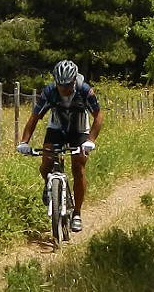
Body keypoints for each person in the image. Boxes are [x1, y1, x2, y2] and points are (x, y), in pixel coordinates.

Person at [16, 60, 104, 232]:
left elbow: (98, 115)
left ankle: (77, 213)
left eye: (67, 85)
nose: (63, 89)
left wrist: (91, 140)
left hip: (79, 129)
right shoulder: (49, 92)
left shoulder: (85, 90)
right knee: (46, 163)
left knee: (78, 167)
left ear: (73, 81)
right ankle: (50, 186)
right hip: (56, 128)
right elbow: (34, 118)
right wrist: (24, 142)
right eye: (60, 85)